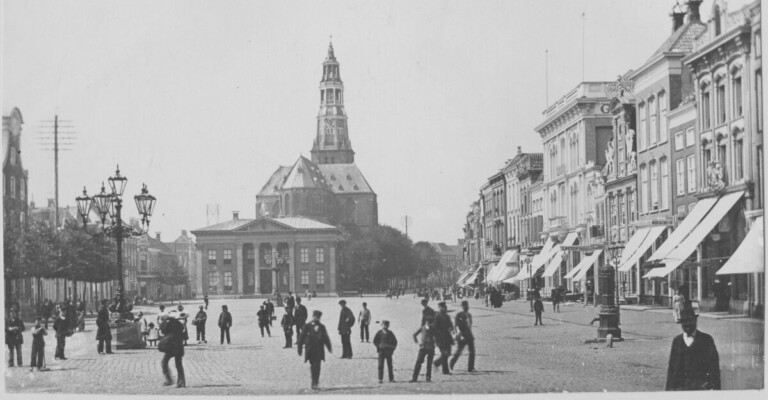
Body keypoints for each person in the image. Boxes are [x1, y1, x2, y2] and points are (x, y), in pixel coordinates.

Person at [665, 306, 720, 391]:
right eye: (684, 321)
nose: (687, 324)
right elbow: (671, 370)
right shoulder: (677, 341)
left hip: (700, 390)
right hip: (680, 390)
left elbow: (714, 368)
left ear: (695, 321)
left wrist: (715, 391)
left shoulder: (706, 340)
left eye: (690, 320)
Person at [297, 310, 332, 390]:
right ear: (313, 316)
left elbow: (326, 338)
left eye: (318, 317)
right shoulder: (308, 326)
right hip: (310, 350)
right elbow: (301, 337)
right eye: (316, 316)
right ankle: (314, 382)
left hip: (319, 350)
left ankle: (315, 382)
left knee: (317, 366)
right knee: (313, 366)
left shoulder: (322, 327)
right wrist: (299, 349)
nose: (317, 318)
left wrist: (329, 347)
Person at [159, 314, 186, 388]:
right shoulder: (180, 324)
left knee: (164, 362)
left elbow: (163, 330)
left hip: (171, 347)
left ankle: (169, 380)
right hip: (179, 346)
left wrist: (164, 321)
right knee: (178, 365)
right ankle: (181, 382)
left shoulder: (168, 324)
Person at [450, 300, 476, 372]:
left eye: (467, 306)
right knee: (459, 351)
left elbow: (469, 325)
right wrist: (459, 334)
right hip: (462, 336)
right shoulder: (459, 315)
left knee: (472, 351)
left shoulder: (469, 315)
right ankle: (452, 362)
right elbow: (456, 325)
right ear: (462, 307)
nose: (466, 307)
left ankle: (470, 367)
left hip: (469, 336)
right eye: (464, 306)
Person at [410, 315, 436, 382]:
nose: (428, 324)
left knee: (429, 364)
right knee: (418, 362)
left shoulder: (433, 328)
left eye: (430, 323)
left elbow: (438, 336)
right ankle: (414, 378)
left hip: (431, 348)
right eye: (428, 323)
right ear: (426, 322)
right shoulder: (422, 328)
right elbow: (414, 335)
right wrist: (418, 343)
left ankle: (428, 378)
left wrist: (435, 341)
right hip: (423, 347)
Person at [432, 302, 454, 375]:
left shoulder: (447, 316)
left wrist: (451, 330)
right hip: (440, 338)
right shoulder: (437, 317)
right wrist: (437, 338)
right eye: (441, 307)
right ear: (439, 308)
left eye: (444, 307)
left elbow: (450, 326)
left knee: (448, 353)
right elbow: (435, 329)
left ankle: (436, 363)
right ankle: (445, 371)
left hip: (447, 337)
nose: (443, 308)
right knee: (444, 353)